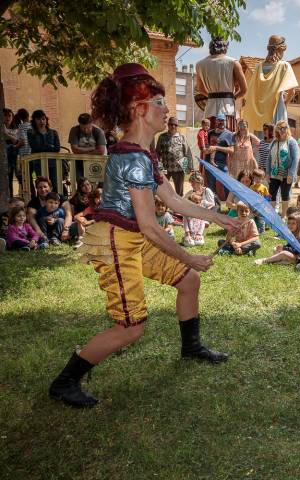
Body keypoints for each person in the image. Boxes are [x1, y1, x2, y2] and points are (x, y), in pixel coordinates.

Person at [48, 63, 242, 408]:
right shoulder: (133, 158)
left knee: (189, 281)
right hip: (116, 242)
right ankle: (65, 382)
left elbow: (173, 199)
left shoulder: (143, 153)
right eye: (158, 102)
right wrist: (189, 255)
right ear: (139, 109)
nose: (166, 109)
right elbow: (152, 226)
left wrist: (220, 218)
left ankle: (191, 346)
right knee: (131, 327)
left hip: (132, 237)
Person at [244, 35, 298, 133]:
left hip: (258, 111)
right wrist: (285, 102)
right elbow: (292, 91)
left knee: (261, 142)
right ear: (281, 50)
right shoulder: (284, 66)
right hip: (277, 108)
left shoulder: (258, 67)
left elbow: (252, 91)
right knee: (278, 140)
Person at [194, 36, 247, 131]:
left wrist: (211, 95)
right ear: (225, 47)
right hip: (228, 107)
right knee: (228, 140)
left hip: (210, 107)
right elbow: (244, 90)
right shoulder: (233, 63)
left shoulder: (199, 64)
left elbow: (200, 88)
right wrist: (232, 97)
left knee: (211, 139)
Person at [265, 119, 300, 219]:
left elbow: (296, 159)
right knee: (272, 194)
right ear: (277, 129)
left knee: (285, 195)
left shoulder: (292, 142)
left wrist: (291, 174)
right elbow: (269, 158)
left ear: (287, 129)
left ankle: (283, 216)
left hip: (286, 174)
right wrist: (267, 173)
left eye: (284, 128)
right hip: (274, 173)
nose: (282, 130)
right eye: (280, 128)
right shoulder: (274, 142)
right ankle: (272, 216)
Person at [27, 176, 73, 245]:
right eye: (40, 187)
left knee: (62, 221)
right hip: (43, 228)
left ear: (50, 188)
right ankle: (44, 240)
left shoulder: (60, 198)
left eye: (45, 187)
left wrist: (65, 230)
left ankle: (56, 238)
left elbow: (68, 214)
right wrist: (39, 232)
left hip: (60, 227)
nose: (43, 189)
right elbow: (32, 219)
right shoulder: (33, 202)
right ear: (37, 189)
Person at [27, 110, 62, 192]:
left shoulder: (53, 132)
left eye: (43, 119)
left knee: (55, 184)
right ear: (34, 121)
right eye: (38, 119)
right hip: (39, 162)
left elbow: (57, 148)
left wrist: (44, 147)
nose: (41, 121)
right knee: (42, 185)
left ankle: (55, 202)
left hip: (53, 162)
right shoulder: (31, 132)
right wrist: (50, 146)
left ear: (46, 120)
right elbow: (35, 147)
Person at [156, 117, 193, 195]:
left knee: (179, 192)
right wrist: (159, 166)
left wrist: (189, 166)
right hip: (166, 168)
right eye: (171, 124)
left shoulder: (182, 137)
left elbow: (187, 152)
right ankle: (164, 206)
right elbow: (157, 153)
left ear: (177, 126)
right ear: (168, 125)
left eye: (175, 125)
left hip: (179, 169)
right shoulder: (162, 137)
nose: (173, 126)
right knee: (163, 190)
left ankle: (179, 207)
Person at [205, 112, 235, 199]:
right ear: (216, 122)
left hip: (222, 164)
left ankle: (229, 206)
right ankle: (213, 206)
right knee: (211, 187)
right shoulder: (210, 133)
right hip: (209, 163)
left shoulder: (229, 134)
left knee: (227, 185)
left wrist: (216, 148)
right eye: (218, 120)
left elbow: (232, 150)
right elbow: (206, 147)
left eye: (222, 120)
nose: (220, 122)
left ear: (225, 122)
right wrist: (206, 150)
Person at [69, 113, 108, 178]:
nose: (86, 130)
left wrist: (81, 151)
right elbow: (74, 150)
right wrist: (93, 148)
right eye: (83, 128)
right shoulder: (74, 130)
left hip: (97, 161)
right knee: (80, 182)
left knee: (96, 182)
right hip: (80, 161)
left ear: (92, 124)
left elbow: (101, 151)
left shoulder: (98, 132)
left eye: (88, 128)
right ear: (79, 124)